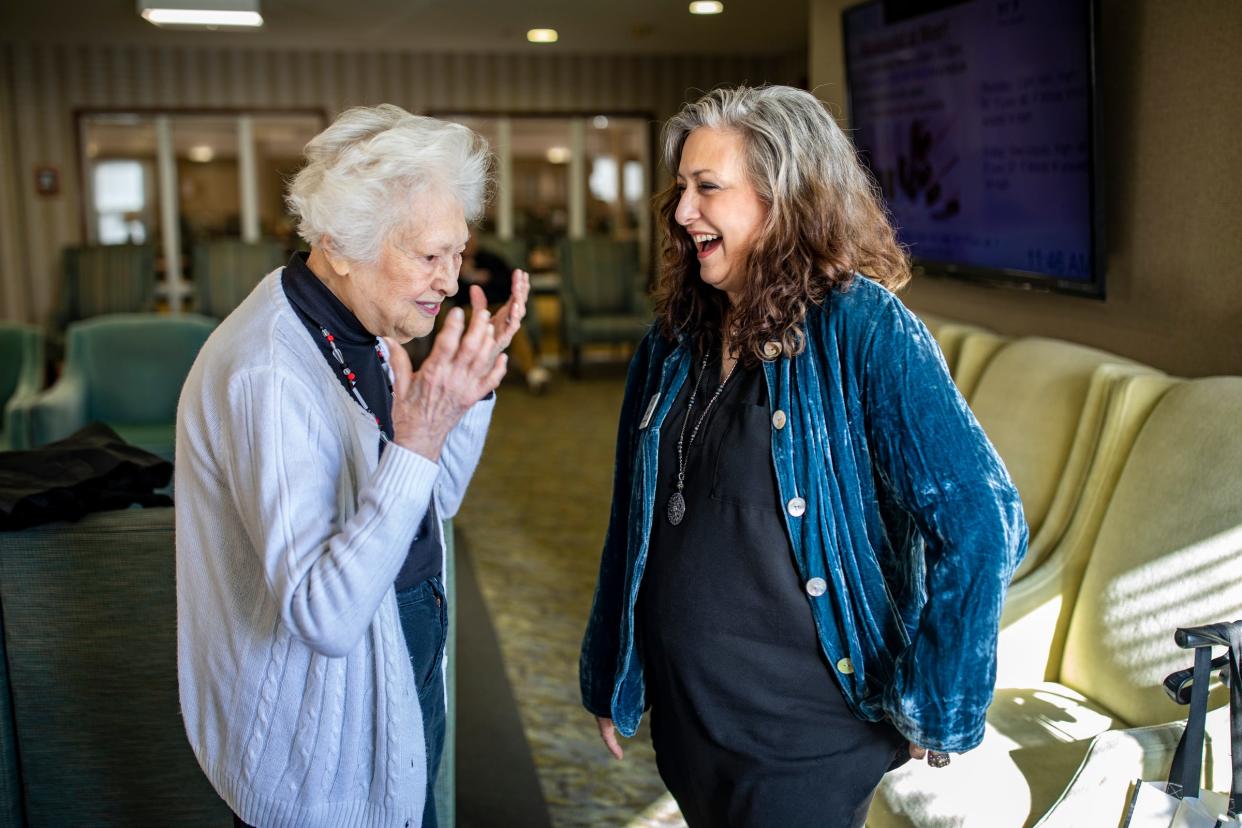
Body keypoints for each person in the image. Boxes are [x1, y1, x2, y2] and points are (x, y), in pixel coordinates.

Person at [579, 85, 1027, 827]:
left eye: (708, 189)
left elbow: (985, 518)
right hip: (694, 722)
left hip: (803, 740)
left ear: (782, 199)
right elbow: (631, 520)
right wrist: (612, 671)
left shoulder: (862, 326)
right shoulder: (672, 340)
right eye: (681, 188)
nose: (682, 211)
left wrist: (934, 707)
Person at [176, 104, 529, 828]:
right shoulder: (272, 373)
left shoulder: (356, 325)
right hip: (320, 734)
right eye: (427, 255)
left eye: (458, 252)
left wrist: (469, 390)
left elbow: (433, 501)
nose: (450, 279)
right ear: (338, 245)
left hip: (401, 667)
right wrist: (422, 437)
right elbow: (324, 616)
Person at [456, 234, 551, 393]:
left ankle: (532, 372)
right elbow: (452, 296)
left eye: (470, 241)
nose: (468, 246)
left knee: (512, 323)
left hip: (496, 306)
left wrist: (486, 278)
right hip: (468, 310)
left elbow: (508, 282)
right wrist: (463, 278)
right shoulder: (454, 263)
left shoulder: (491, 259)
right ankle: (465, 376)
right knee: (461, 323)